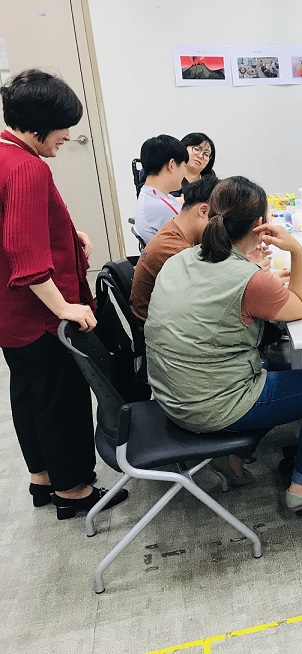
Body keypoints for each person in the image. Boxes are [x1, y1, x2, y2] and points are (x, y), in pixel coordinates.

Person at [145, 176, 302, 507]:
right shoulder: (250, 280)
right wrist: (296, 250)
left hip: (170, 395)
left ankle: (233, 456)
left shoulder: (181, 258)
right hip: (208, 406)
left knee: (279, 367)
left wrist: (251, 267)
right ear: (260, 224)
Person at [0, 69, 128, 519]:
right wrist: (65, 308)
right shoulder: (28, 168)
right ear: (39, 124)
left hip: (10, 313)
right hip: (40, 314)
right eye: (63, 127)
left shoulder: (6, 155)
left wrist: (70, 235)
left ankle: (43, 476)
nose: (68, 136)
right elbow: (26, 255)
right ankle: (73, 488)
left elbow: (14, 223)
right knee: (62, 397)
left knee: (29, 392)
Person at [130, 176, 220, 321]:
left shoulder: (173, 228)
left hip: (161, 315)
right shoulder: (177, 251)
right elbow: (214, 293)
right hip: (159, 324)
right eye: (221, 221)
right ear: (203, 211)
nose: (222, 229)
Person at [134, 134, 188, 244]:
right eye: (184, 166)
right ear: (171, 165)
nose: (185, 172)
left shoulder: (151, 194)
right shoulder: (161, 207)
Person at [173, 132, 217, 197]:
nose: (200, 156)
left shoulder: (210, 177)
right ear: (184, 148)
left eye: (206, 154)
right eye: (197, 149)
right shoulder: (170, 173)